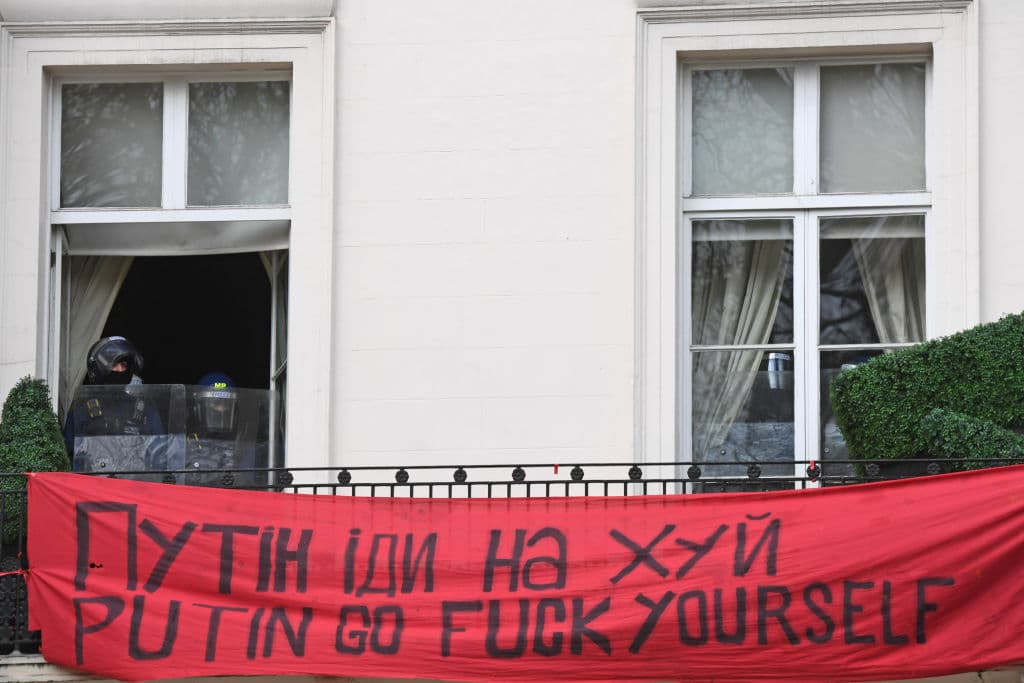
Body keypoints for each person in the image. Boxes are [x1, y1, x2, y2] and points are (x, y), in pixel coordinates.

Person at [63, 336, 171, 475]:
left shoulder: (145, 411)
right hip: (95, 486)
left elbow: (161, 455)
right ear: (99, 368)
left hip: (136, 486)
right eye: (115, 364)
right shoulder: (82, 413)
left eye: (124, 365)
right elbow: (68, 459)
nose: (120, 370)